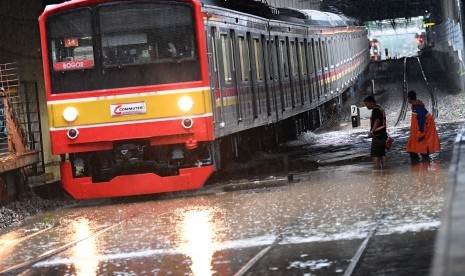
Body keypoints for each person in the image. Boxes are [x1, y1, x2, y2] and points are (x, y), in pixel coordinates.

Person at [406, 90, 440, 163]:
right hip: (418, 132)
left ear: (409, 98)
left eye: (407, 98)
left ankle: (419, 166)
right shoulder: (417, 106)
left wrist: (420, 132)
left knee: (419, 149)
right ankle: (424, 166)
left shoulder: (417, 108)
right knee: (417, 149)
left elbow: (421, 120)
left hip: (421, 132)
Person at [364, 95, 388, 169]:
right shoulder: (380, 108)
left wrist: (372, 131)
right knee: (382, 154)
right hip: (383, 135)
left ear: (371, 102)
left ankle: (377, 175)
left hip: (377, 136)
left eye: (366, 104)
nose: (366, 106)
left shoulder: (375, 110)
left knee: (375, 157)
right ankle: (385, 170)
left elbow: (377, 120)